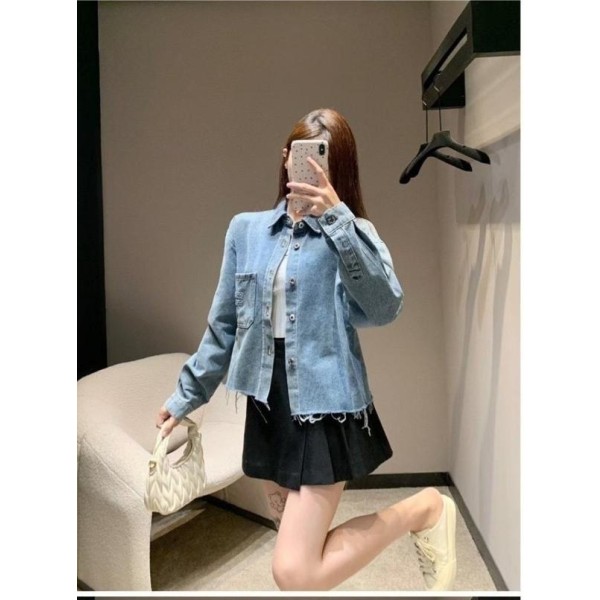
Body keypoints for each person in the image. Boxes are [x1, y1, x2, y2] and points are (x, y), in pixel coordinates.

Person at [155, 108, 457, 591]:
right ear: (286, 159)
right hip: (268, 405)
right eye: (304, 161)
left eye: (325, 167)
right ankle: (422, 512)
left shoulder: (353, 235)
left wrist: (338, 220)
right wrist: (185, 397)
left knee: (293, 571)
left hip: (326, 408)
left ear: (341, 172)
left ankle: (425, 509)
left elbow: (385, 308)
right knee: (298, 556)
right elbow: (224, 325)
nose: (313, 175)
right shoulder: (245, 231)